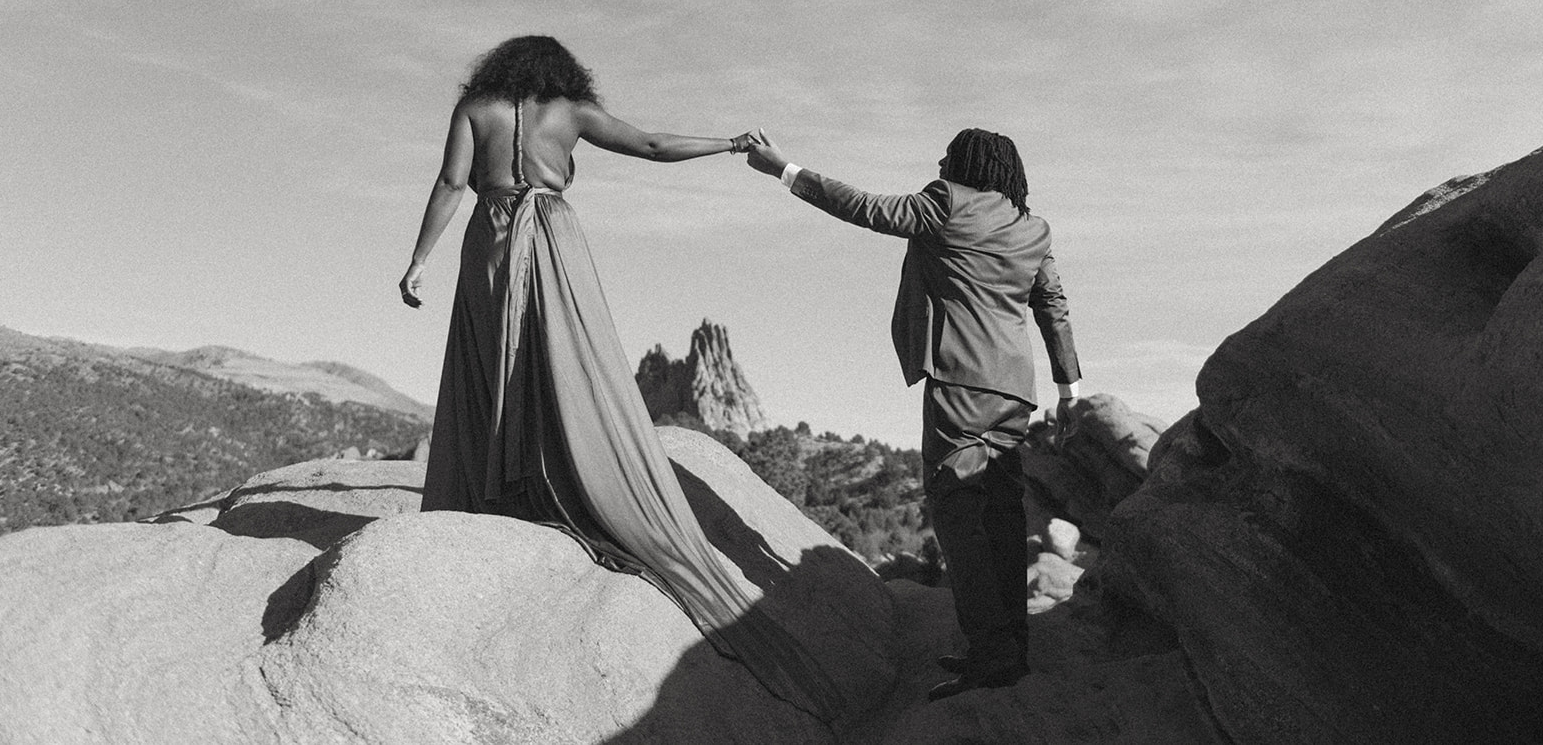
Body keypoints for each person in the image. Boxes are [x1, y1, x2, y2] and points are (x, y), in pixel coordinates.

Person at [399, 36, 841, 718]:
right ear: (560, 71)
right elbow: (653, 148)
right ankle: (559, 483)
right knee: (564, 366)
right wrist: (727, 143)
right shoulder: (570, 110)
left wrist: (419, 260)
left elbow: (452, 183)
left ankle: (497, 490)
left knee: (491, 362)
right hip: (551, 236)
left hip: (488, 237)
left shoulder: (474, 106)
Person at [743, 126, 1083, 702]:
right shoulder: (1033, 226)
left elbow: (866, 208)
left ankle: (990, 658)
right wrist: (1070, 385)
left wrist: (785, 170)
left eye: (949, 155)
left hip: (961, 385)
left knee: (958, 518)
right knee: (1001, 520)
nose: (941, 161)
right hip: (1016, 391)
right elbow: (1052, 302)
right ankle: (1006, 650)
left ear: (967, 165)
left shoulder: (946, 203)